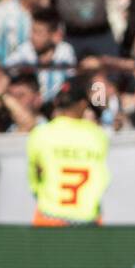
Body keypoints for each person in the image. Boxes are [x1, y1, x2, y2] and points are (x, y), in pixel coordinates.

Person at [27, 78, 111, 226]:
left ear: (57, 103)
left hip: (49, 218)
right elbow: (104, 177)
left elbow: (34, 178)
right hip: (87, 219)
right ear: (83, 104)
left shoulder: (41, 134)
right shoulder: (98, 136)